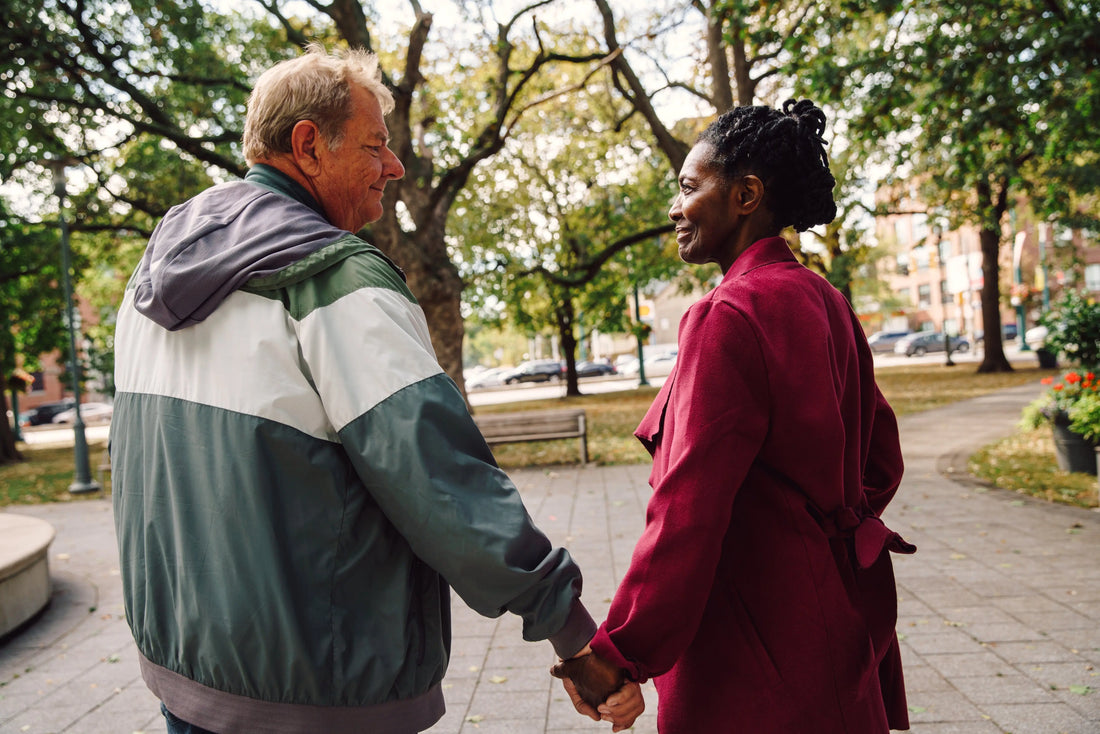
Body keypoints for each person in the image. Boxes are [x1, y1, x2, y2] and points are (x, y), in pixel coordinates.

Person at [110, 44, 639, 734]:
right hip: (317, 691)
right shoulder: (337, 279)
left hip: (186, 674)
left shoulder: (151, 281)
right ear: (308, 145)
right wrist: (572, 632)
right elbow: (441, 483)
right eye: (374, 146)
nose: (394, 166)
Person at [553, 99, 915, 732]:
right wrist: (819, 531)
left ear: (746, 195)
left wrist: (617, 655)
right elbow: (881, 463)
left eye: (689, 188)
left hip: (753, 647)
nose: (675, 208)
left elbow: (687, 512)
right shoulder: (826, 301)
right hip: (841, 621)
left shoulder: (728, 315)